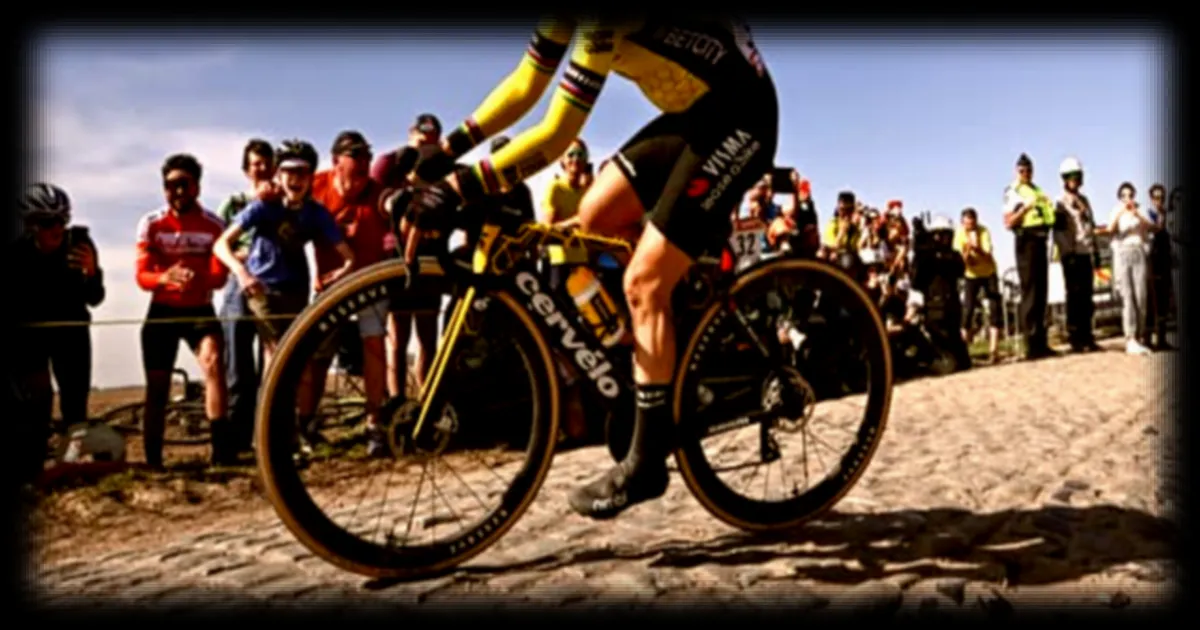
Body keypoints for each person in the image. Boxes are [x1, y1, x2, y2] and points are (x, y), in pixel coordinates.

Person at [402, 17, 778, 519]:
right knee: (596, 216)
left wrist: (457, 189)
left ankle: (646, 461)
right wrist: (446, 154)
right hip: (693, 116)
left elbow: (557, 133)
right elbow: (524, 84)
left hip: (741, 117)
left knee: (644, 281)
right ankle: (670, 340)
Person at [213, 139, 356, 453]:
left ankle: (283, 436)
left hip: (296, 288)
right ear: (279, 175)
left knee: (291, 361)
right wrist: (242, 273)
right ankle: (268, 437)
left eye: (302, 172)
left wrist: (341, 273)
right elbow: (221, 244)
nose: (295, 179)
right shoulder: (264, 205)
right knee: (274, 354)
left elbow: (347, 254)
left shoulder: (315, 212)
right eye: (289, 172)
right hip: (262, 287)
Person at [135, 154, 231, 468]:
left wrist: (195, 276)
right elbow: (141, 276)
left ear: (197, 187)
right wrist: (164, 277)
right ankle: (153, 461)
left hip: (199, 310)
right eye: (170, 185)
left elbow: (220, 277)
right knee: (158, 386)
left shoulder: (215, 225)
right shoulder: (151, 224)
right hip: (162, 311)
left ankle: (221, 453)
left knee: (214, 364)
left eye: (183, 184)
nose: (177, 191)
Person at [10, 183, 106, 480]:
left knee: (75, 404)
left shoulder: (80, 243)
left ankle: (71, 466)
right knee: (35, 404)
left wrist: (91, 271)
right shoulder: (16, 252)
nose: (57, 228)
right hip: (31, 337)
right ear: (31, 224)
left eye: (62, 220)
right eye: (48, 222)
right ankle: (31, 471)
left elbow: (95, 297)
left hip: (72, 333)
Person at [305, 131, 392, 455]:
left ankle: (374, 425)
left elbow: (399, 220)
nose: (360, 174)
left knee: (374, 345)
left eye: (365, 164)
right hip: (329, 285)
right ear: (335, 162)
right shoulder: (316, 187)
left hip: (370, 281)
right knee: (316, 354)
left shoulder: (378, 193)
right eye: (354, 163)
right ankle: (306, 422)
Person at [216, 138, 275, 454]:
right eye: (256, 163)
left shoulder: (281, 201)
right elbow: (218, 245)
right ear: (246, 169)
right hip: (237, 286)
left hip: (271, 286)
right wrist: (239, 260)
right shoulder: (233, 204)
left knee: (272, 360)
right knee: (237, 367)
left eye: (267, 162)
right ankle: (237, 441)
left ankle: (266, 436)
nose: (262, 168)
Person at [1002, 153, 1058, 361]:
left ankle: (1041, 342)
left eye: (1029, 169)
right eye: (1022, 170)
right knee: (1030, 292)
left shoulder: (1037, 190)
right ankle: (1030, 344)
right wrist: (1025, 208)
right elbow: (1008, 222)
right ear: (1016, 171)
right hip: (1026, 240)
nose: (1026, 173)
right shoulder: (1013, 191)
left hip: (1042, 239)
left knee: (1042, 291)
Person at [1052, 157, 1102, 354]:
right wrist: (1067, 252)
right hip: (1071, 254)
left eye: (1077, 177)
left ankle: (1087, 335)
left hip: (1085, 251)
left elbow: (1091, 226)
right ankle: (1075, 338)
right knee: (1074, 296)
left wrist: (1095, 251)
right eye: (1071, 177)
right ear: (1064, 179)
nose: (1075, 181)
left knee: (1087, 296)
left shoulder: (1085, 201)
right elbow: (1059, 232)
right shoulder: (1060, 202)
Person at [1100, 182, 1156, 355]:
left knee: (1141, 297)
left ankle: (1140, 335)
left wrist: (1136, 213)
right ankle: (1130, 337)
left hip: (1138, 251)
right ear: (1120, 197)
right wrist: (1121, 212)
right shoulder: (1117, 211)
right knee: (1128, 297)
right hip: (1123, 253)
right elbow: (1110, 229)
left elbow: (1153, 227)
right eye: (1124, 195)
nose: (1128, 198)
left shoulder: (1140, 211)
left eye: (1130, 195)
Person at [953, 208, 1004, 363]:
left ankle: (994, 351)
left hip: (988, 272)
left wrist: (978, 248)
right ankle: (964, 353)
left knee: (995, 308)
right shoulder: (959, 234)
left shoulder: (984, 231)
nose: (971, 226)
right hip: (971, 275)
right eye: (967, 224)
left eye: (973, 223)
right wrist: (968, 249)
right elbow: (961, 259)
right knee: (967, 309)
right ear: (963, 223)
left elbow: (988, 254)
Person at [1145, 183, 1173, 350]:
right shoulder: (1148, 215)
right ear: (1151, 198)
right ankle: (1148, 338)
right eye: (1156, 197)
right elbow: (1153, 231)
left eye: (1161, 197)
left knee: (1164, 300)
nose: (1159, 200)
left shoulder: (1169, 215)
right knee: (1151, 301)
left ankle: (1162, 338)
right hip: (1152, 260)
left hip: (1165, 260)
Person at [541, 138, 592, 228]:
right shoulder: (556, 187)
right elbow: (546, 228)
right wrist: (573, 222)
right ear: (562, 159)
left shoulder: (588, 193)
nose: (576, 159)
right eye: (571, 154)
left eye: (580, 154)